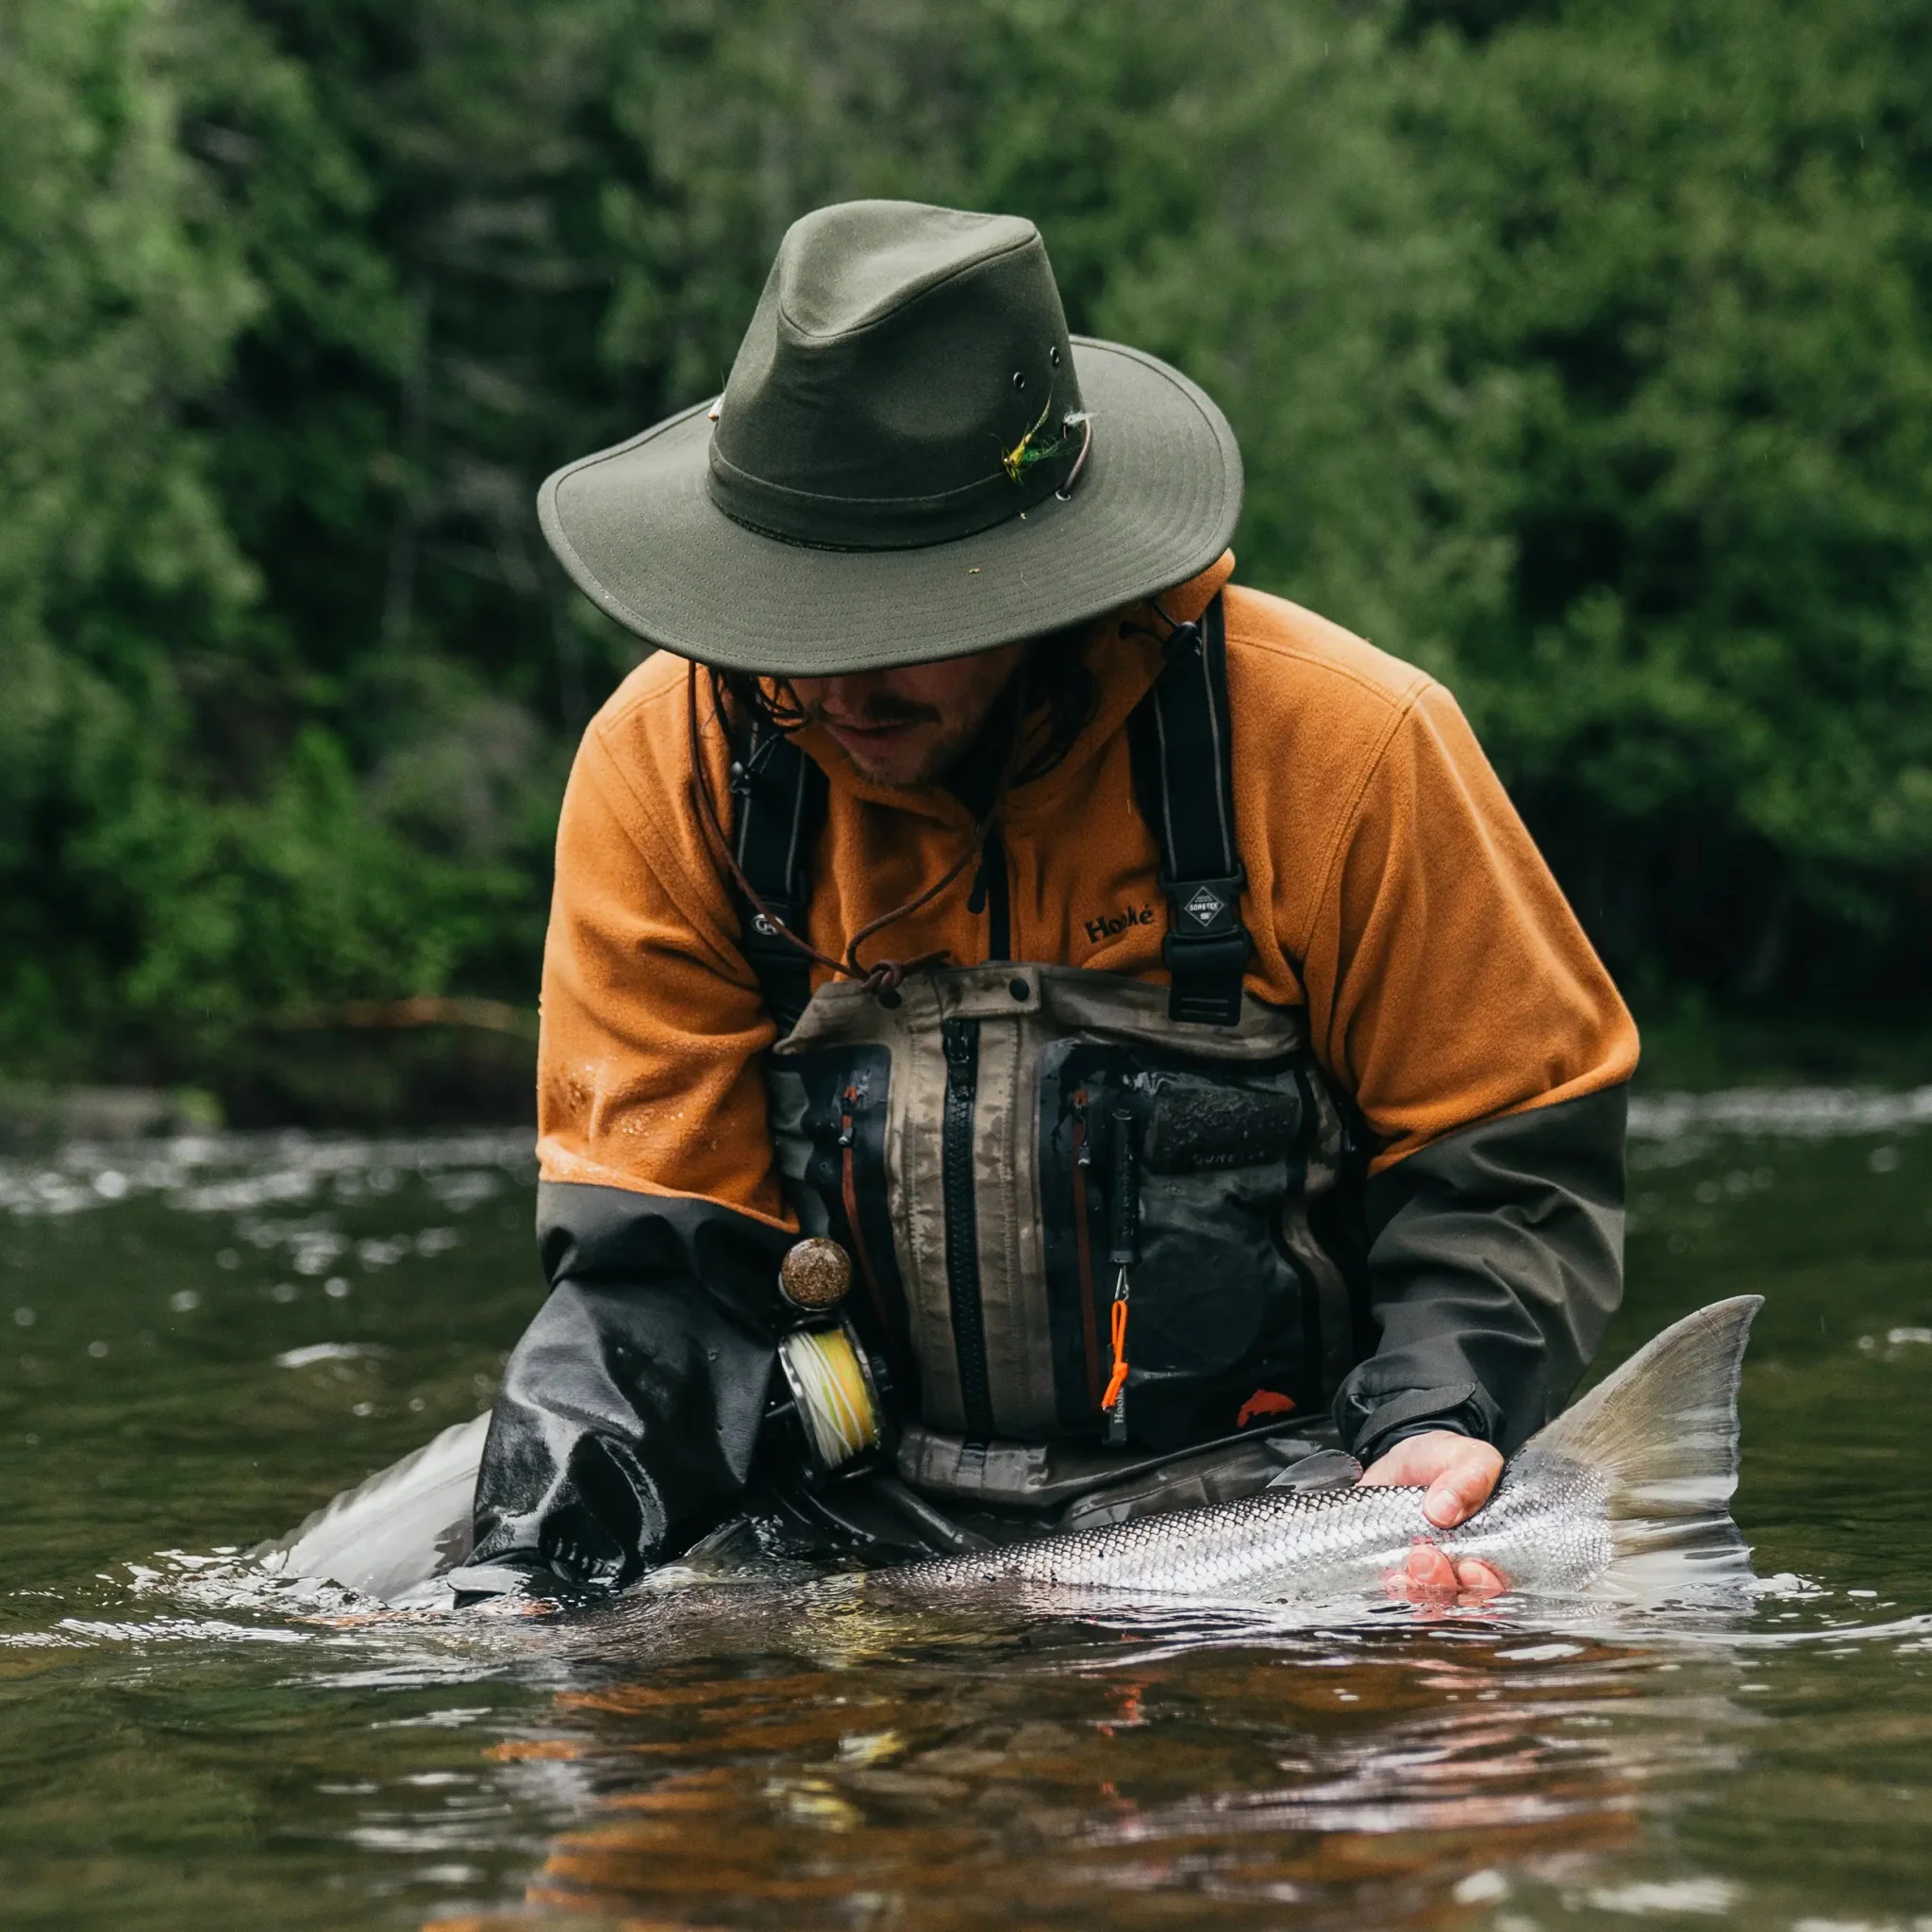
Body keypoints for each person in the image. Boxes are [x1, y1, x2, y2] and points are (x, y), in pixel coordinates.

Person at [465, 199, 1636, 1602]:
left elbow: (1503, 1167)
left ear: (1047, 580)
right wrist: (529, 1592)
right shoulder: (670, 763)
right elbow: (658, 1272)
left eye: (897, 625)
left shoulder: (1345, 747)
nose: (836, 687)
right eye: (785, 619)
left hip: (1283, 1522)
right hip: (858, 1535)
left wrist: (1442, 1417)